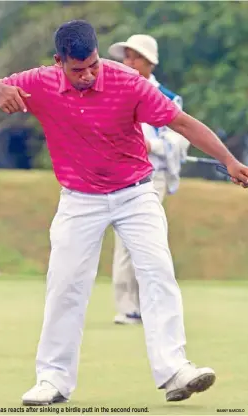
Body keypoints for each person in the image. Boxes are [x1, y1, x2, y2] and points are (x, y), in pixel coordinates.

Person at [0, 20, 248, 407]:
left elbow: (182, 123)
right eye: (77, 69)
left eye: (92, 64)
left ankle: (174, 369)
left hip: (135, 193)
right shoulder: (39, 81)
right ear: (59, 63)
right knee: (64, 284)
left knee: (158, 271)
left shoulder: (127, 82)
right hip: (79, 199)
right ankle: (52, 380)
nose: (88, 75)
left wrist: (229, 161)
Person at [108, 34, 190, 325]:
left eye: (134, 57)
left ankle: (148, 305)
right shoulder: (113, 92)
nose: (128, 62)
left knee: (147, 241)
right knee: (124, 243)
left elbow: (179, 140)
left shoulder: (166, 97)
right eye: (126, 56)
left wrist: (151, 146)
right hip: (121, 176)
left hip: (153, 177)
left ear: (149, 62)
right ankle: (128, 306)